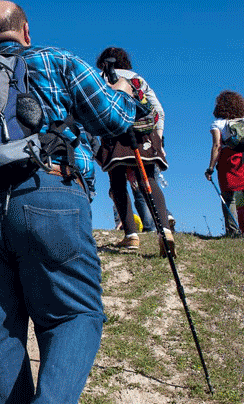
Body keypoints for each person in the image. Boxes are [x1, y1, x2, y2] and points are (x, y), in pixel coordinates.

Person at [0, 2, 136, 404]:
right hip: (49, 191)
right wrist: (128, 96)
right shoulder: (58, 61)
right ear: (25, 31)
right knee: (74, 312)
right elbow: (114, 120)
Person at [94, 46, 174, 256]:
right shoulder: (137, 79)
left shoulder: (99, 77)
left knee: (117, 183)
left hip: (114, 134)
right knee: (148, 179)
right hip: (144, 135)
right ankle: (164, 231)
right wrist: (158, 138)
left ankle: (131, 235)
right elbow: (159, 110)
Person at [204, 90, 244, 235]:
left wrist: (210, 168)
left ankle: (232, 230)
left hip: (228, 159)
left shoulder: (218, 123)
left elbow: (217, 146)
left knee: (228, 195)